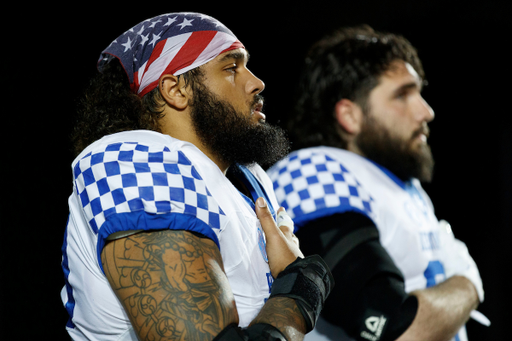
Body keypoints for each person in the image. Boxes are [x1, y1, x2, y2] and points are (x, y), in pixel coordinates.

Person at [60, 12, 333, 341]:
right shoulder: (137, 159)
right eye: (231, 68)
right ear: (175, 90)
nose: (256, 82)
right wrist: (301, 287)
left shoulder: (248, 178)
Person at [267, 26, 485, 341]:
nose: (426, 111)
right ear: (350, 116)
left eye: (419, 92)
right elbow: (393, 326)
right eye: (402, 94)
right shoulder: (313, 170)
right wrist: (467, 284)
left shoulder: (403, 187)